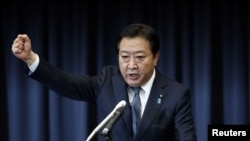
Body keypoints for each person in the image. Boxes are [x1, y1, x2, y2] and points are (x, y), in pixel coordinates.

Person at [11, 23, 197, 141]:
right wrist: (30, 59)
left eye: (140, 57)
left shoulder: (176, 94)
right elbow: (66, 83)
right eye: (125, 57)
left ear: (155, 57)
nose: (131, 65)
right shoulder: (107, 81)